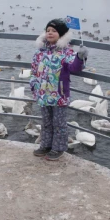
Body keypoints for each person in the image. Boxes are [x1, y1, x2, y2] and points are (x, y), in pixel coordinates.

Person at [30, 18, 88, 161]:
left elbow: (74, 69)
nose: (50, 33)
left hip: (59, 95)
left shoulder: (66, 52)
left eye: (54, 31)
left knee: (59, 123)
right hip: (43, 94)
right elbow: (34, 70)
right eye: (48, 30)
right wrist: (34, 85)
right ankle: (46, 145)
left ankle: (58, 148)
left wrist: (80, 57)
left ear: (61, 34)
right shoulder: (39, 52)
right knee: (46, 122)